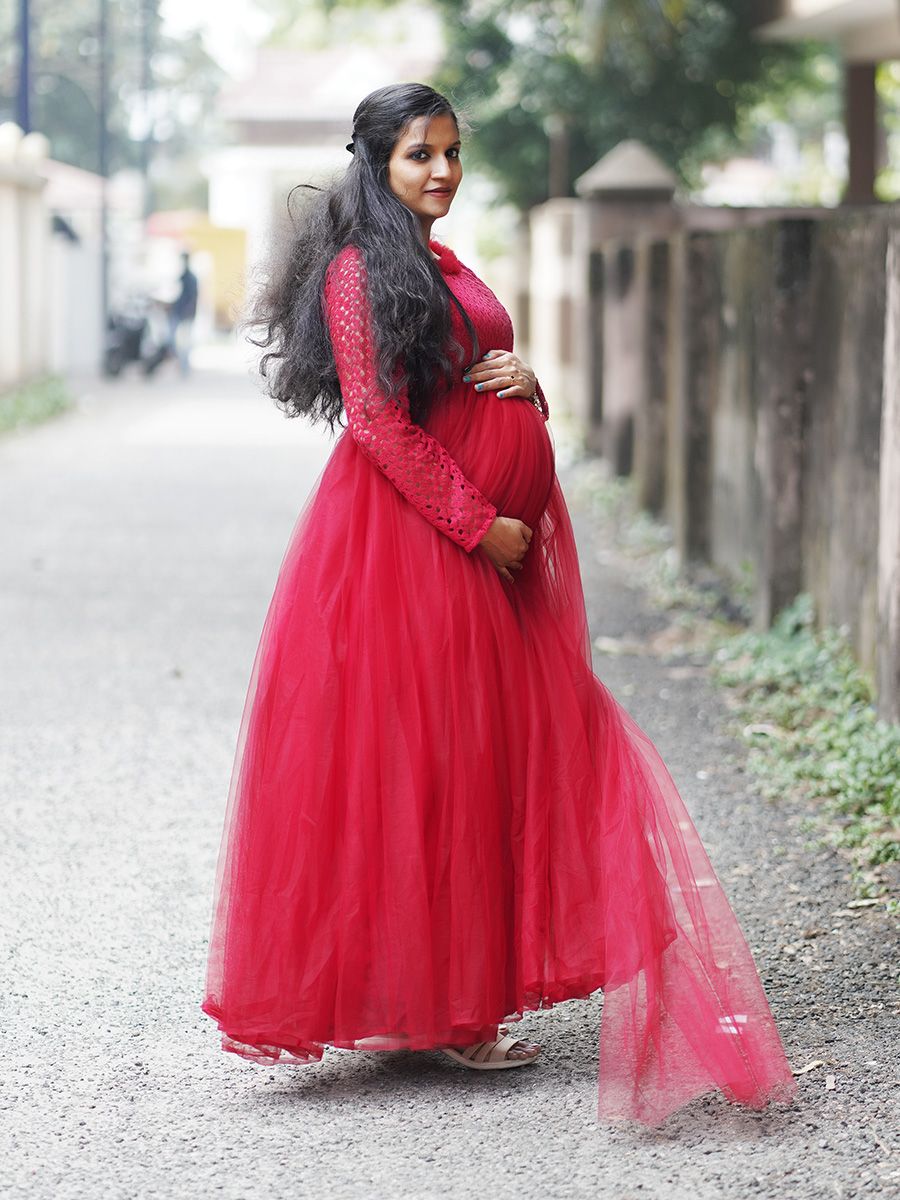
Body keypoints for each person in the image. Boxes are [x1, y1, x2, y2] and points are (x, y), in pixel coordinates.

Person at [200, 83, 797, 1124]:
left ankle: (452, 1001)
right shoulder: (356, 271)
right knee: (427, 765)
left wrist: (527, 385)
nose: (441, 171)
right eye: (419, 156)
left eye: (451, 153)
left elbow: (461, 375)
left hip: (479, 552)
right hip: (414, 549)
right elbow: (383, 423)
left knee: (487, 759)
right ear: (375, 164)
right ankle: (445, 1009)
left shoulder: (435, 260)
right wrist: (481, 524)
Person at [167, 250, 198, 376]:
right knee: (175, 340)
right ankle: (181, 365)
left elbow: (193, 297)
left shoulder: (190, 278)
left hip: (185, 314)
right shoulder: (183, 276)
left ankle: (184, 366)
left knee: (183, 342)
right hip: (179, 312)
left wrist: (188, 312)